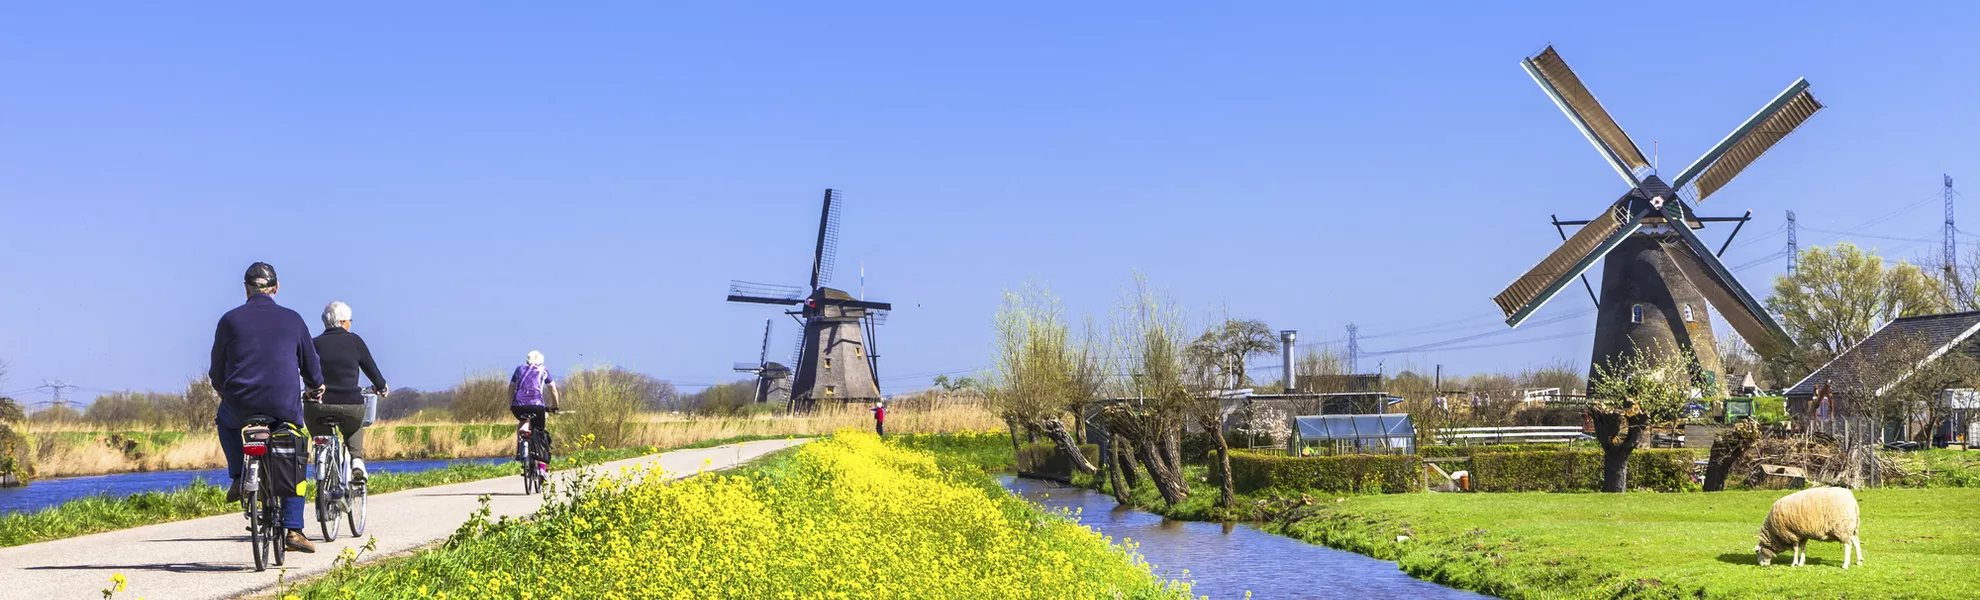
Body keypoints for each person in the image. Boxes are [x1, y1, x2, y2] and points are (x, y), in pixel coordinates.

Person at [209, 262, 323, 553]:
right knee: (296, 448)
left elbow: (217, 370)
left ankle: (238, 476)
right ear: (276, 288)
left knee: (226, 422)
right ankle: (293, 529)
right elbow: (311, 367)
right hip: (282, 404)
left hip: (240, 402)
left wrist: (223, 390)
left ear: (246, 289)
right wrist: (315, 386)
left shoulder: (229, 320)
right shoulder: (293, 319)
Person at [308, 301, 386, 484]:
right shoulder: (354, 341)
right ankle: (356, 460)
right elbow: (371, 369)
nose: (350, 324)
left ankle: (323, 455)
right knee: (354, 426)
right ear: (343, 322)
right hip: (350, 404)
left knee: (319, 430)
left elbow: (304, 369)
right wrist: (381, 386)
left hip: (319, 404)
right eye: (350, 321)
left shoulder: (314, 344)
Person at [509, 351, 561, 468]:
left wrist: (511, 404)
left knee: (523, 421)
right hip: (537, 405)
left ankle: (520, 448)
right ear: (541, 361)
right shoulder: (543, 370)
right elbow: (553, 390)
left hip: (518, 405)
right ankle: (542, 468)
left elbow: (511, 388)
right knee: (540, 433)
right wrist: (555, 406)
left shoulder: (518, 369)